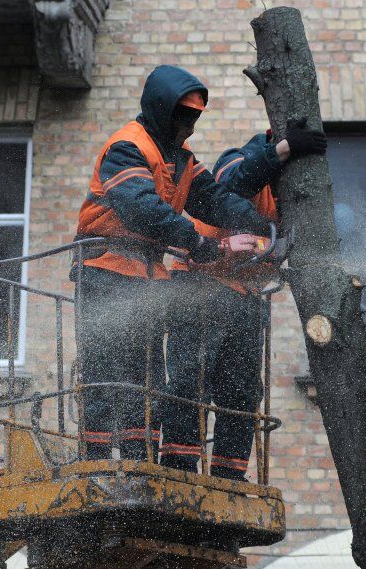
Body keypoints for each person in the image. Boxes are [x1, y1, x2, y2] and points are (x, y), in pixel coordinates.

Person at [72, 65, 272, 461]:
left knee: (146, 373)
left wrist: (257, 224)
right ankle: (95, 462)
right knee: (105, 367)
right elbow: (140, 207)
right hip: (105, 268)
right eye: (184, 116)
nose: (190, 126)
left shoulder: (182, 160)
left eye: (195, 117)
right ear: (163, 110)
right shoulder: (127, 146)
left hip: (146, 274)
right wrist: (193, 240)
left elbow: (212, 199)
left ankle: (139, 458)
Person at [160, 123, 327, 480]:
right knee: (191, 381)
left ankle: (229, 476)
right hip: (199, 285)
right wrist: (281, 151)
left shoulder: (291, 196)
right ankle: (178, 468)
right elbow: (229, 186)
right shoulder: (239, 161)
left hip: (246, 297)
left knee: (242, 392)